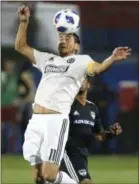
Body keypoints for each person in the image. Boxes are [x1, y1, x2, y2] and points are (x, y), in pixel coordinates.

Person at [15, 5, 131, 184]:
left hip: (55, 121)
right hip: (36, 119)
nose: (62, 39)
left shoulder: (82, 61)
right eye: (60, 37)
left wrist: (112, 58)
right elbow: (21, 46)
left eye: (67, 37)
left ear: (76, 45)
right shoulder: (47, 59)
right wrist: (24, 22)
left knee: (50, 176)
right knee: (38, 177)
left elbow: (98, 69)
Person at [60, 76, 122, 184]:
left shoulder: (93, 108)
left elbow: (99, 136)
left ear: (88, 84)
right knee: (85, 182)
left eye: (83, 80)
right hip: (66, 152)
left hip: (82, 154)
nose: (80, 82)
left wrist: (111, 133)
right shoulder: (67, 105)